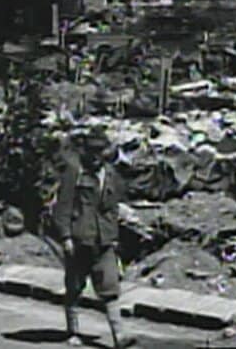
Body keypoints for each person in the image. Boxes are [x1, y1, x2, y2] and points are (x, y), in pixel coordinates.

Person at [53, 127, 134, 347]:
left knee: (110, 287)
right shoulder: (74, 172)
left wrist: (114, 236)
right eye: (92, 151)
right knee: (75, 287)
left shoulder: (110, 174)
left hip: (104, 240)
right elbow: (63, 207)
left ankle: (119, 336)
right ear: (85, 151)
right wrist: (66, 236)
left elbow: (112, 207)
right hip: (80, 239)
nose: (97, 156)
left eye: (101, 151)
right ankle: (73, 331)